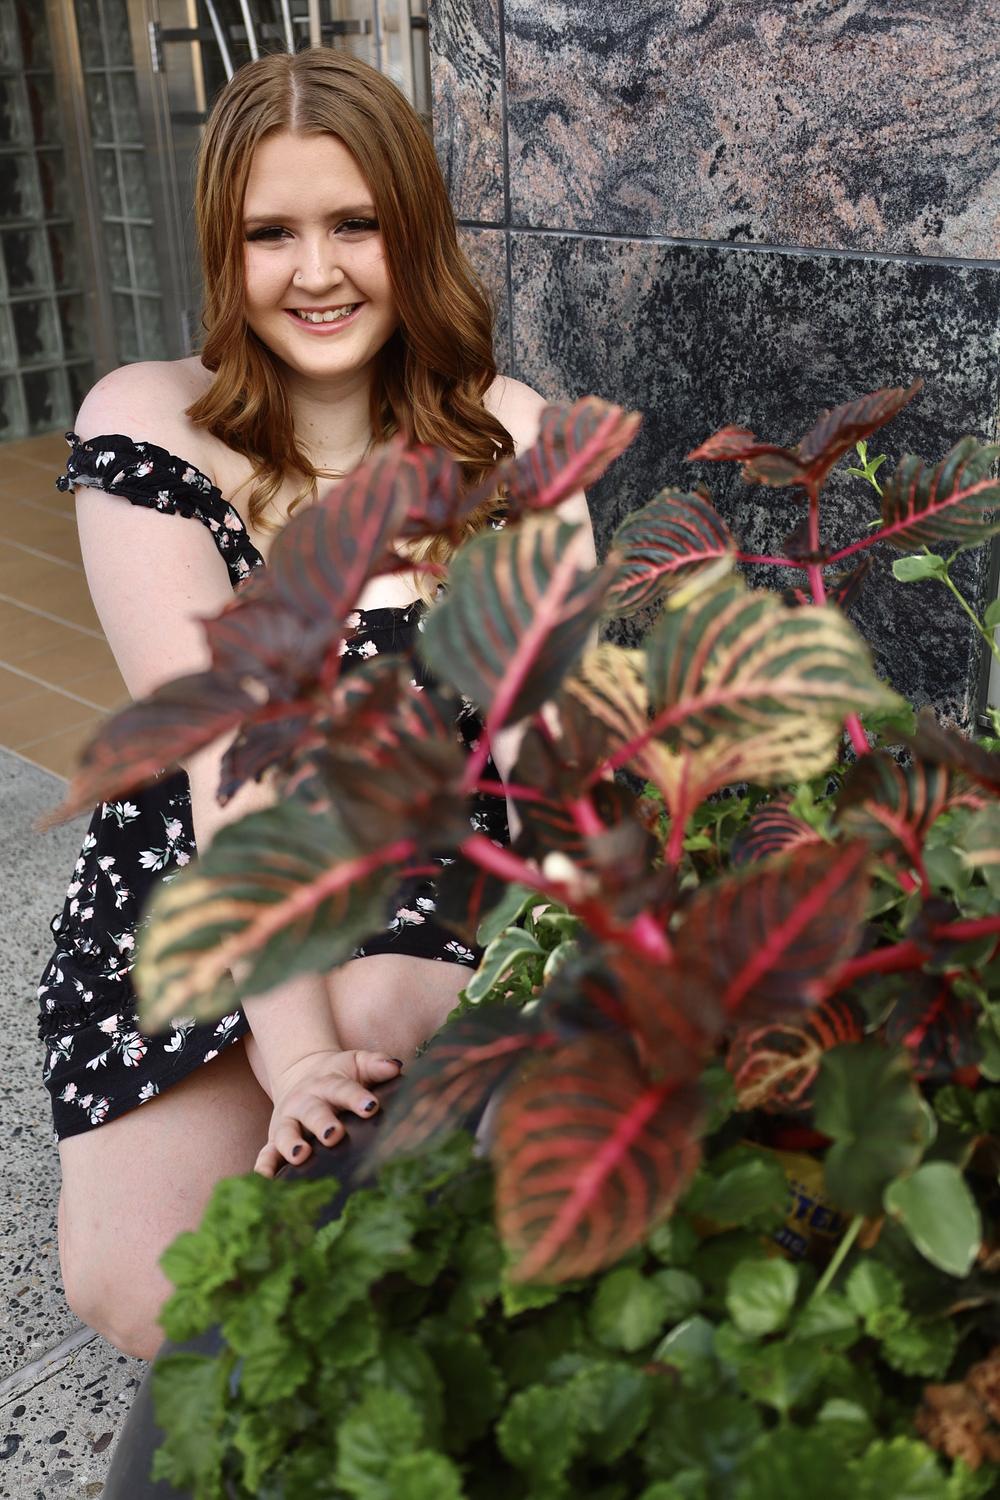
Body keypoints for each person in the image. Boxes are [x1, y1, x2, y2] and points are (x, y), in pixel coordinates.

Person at [36, 47, 594, 1361]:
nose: (318, 271)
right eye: (270, 233)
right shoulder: (150, 427)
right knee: (146, 1289)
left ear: (416, 233)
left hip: (426, 852)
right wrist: (292, 1061)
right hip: (208, 866)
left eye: (355, 224)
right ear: (221, 249)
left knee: (375, 1063)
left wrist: (598, 943)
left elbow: (543, 735)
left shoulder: (511, 437)